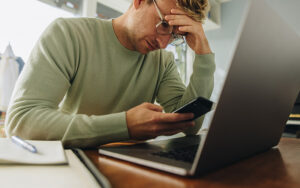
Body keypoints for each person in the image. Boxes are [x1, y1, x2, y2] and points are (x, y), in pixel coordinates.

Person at [5, 0, 215, 148]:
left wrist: (204, 54)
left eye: (176, 36)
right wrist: (125, 125)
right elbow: (21, 121)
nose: (163, 43)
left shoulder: (163, 62)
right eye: (164, 25)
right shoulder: (69, 35)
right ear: (140, 1)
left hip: (132, 170)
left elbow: (190, 126)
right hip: (74, 164)